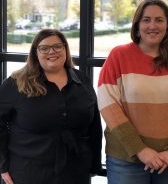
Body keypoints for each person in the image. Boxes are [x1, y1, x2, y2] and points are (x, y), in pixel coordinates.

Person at [97, 0, 168, 184]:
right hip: (126, 160)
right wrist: (140, 150)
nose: (152, 25)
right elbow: (109, 105)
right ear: (137, 25)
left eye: (159, 20)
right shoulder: (119, 56)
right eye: (146, 20)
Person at [0, 29, 102, 184]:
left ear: (65, 49)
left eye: (57, 46)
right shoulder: (16, 83)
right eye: (44, 48)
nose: (52, 52)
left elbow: (94, 125)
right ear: (35, 53)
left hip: (75, 171)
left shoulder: (82, 81)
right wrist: (2, 165)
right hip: (29, 173)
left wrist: (95, 163)